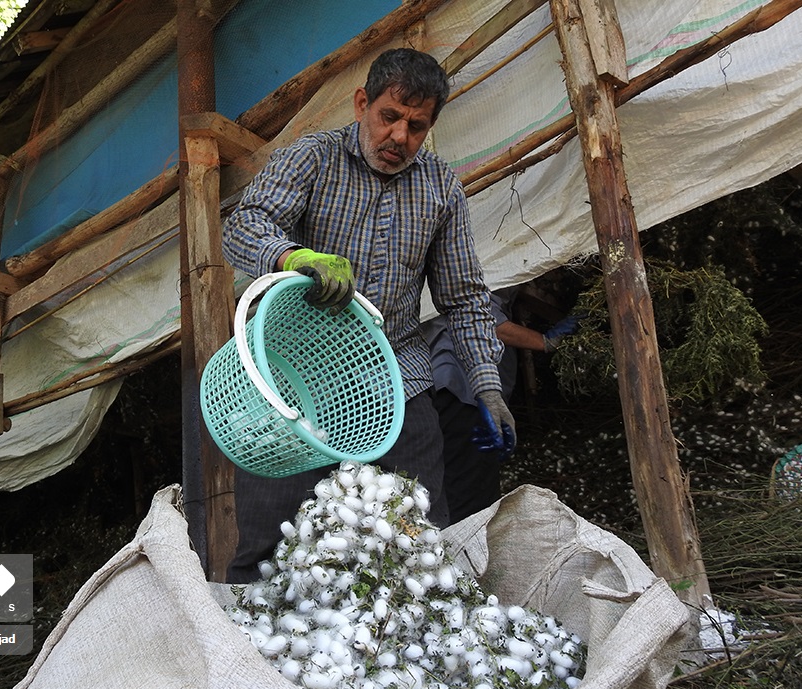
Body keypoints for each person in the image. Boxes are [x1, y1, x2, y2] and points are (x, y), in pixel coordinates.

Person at [220, 47, 512, 583]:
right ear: (362, 104)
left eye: (416, 126)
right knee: (268, 552)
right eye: (389, 116)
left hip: (394, 380)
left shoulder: (441, 188)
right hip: (293, 380)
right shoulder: (313, 157)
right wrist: (293, 257)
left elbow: (465, 297)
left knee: (421, 540)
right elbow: (243, 227)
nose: (399, 136)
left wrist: (487, 387)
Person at [423, 289, 580, 523]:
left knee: (449, 486)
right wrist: (544, 341)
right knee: (471, 500)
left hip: (443, 387)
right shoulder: (478, 276)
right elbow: (486, 319)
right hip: (464, 392)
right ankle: (463, 543)